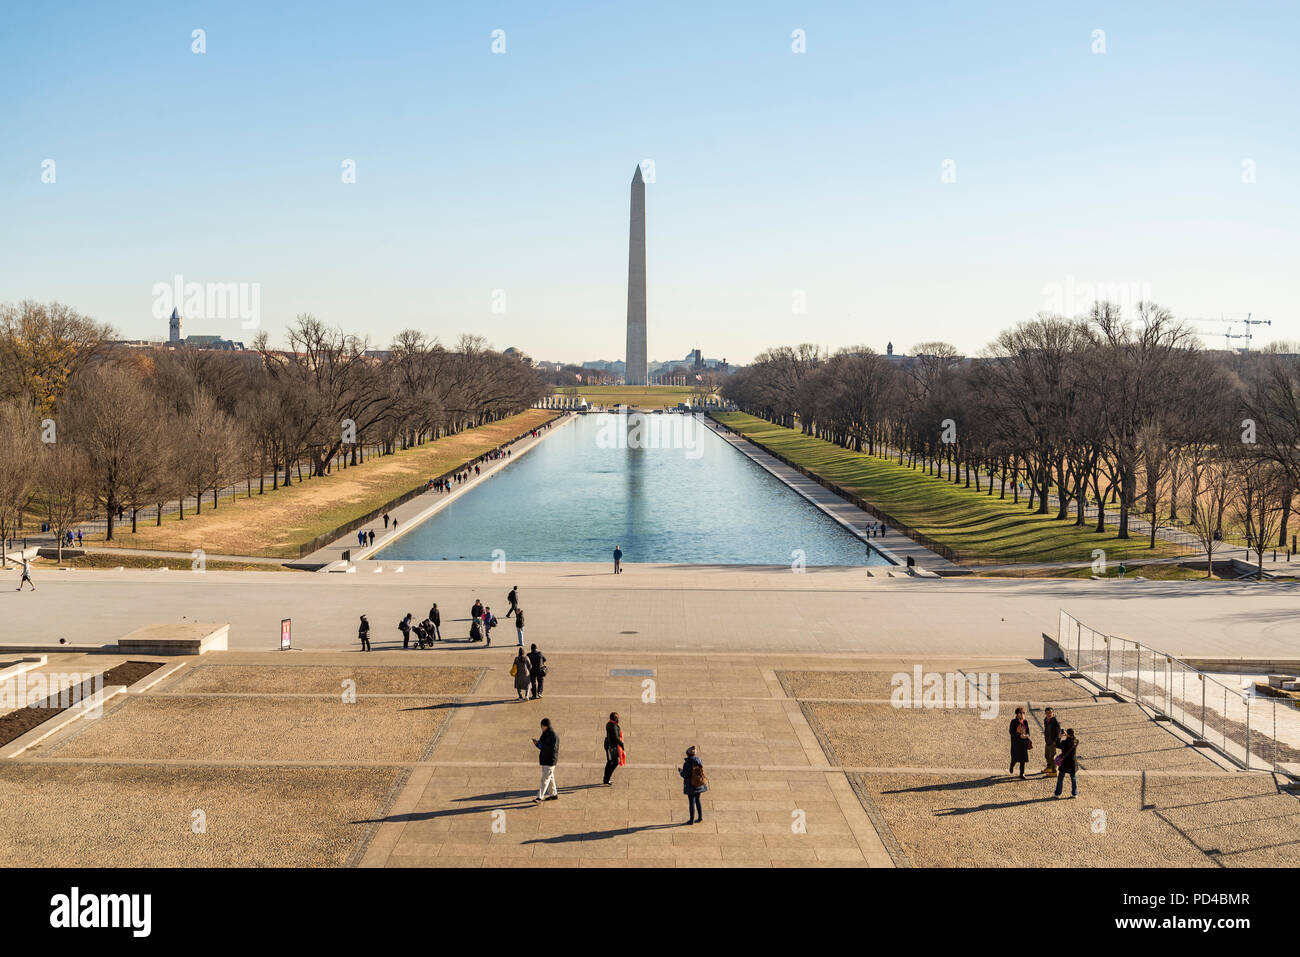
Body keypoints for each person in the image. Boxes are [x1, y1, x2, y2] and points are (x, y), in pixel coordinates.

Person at [533, 718, 559, 802]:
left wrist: (542, 745)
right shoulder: (544, 733)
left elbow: (553, 749)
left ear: (546, 726)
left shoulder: (554, 736)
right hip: (544, 759)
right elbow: (541, 746)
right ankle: (553, 794)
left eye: (542, 726)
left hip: (550, 761)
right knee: (550, 777)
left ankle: (539, 797)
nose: (541, 727)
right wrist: (537, 744)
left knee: (545, 779)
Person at [679, 745, 707, 824]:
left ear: (688, 754)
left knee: (691, 802)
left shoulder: (687, 763)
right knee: (698, 800)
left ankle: (691, 820)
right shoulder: (699, 761)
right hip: (699, 784)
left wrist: (680, 772)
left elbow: (685, 775)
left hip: (691, 785)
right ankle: (700, 817)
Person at [1054, 728, 1079, 798]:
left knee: (1060, 778)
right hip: (1072, 762)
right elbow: (1073, 739)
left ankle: (1057, 793)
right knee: (1073, 778)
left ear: (1067, 734)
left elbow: (1057, 745)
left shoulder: (1064, 743)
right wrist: (1067, 735)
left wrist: (1060, 736)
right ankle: (1075, 793)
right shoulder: (1076, 741)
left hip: (1064, 763)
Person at [603, 712, 625, 786]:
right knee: (613, 762)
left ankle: (606, 778)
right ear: (616, 718)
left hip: (609, 745)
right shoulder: (613, 726)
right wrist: (621, 744)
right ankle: (606, 778)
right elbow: (615, 737)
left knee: (610, 762)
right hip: (611, 747)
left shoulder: (609, 723)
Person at [1008, 706, 1031, 779]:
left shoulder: (1025, 721)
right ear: (1017, 714)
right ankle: (1012, 765)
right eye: (1020, 713)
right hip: (1016, 743)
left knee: (1023, 759)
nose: (1022, 714)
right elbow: (1011, 732)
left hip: (1023, 743)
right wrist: (1020, 735)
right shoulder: (1013, 722)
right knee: (1015, 758)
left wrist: (1027, 735)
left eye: (1023, 713)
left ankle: (1022, 773)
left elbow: (1028, 732)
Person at [1042, 707, 1061, 774]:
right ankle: (1049, 767)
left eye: (1050, 713)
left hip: (1053, 742)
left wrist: (1055, 741)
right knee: (1047, 755)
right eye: (1047, 713)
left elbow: (1059, 732)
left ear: (1053, 713)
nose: (1049, 714)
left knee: (1052, 756)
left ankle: (1054, 771)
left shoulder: (1055, 722)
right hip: (1047, 741)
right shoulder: (1045, 720)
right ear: (1045, 713)